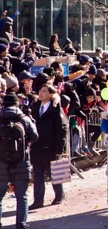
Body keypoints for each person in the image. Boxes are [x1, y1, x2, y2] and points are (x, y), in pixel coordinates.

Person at [0, 93, 38, 229]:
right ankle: (21, 224)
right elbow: (34, 136)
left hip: (1, 163)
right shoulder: (24, 118)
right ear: (17, 104)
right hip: (21, 161)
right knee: (21, 196)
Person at [29, 85, 68, 210]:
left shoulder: (56, 109)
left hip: (51, 147)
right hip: (37, 147)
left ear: (51, 94)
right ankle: (38, 200)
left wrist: (59, 149)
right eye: (40, 90)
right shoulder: (35, 107)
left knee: (55, 173)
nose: (41, 93)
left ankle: (59, 195)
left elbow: (62, 130)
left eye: (44, 91)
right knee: (38, 175)